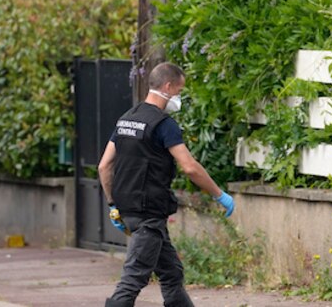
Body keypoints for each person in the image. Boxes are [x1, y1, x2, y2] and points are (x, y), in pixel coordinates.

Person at [99, 62, 235, 307]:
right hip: (148, 214)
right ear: (168, 86)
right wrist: (219, 194)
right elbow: (190, 167)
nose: (179, 98)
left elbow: (104, 166)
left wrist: (113, 205)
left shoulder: (126, 119)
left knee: (171, 273)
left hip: (129, 211)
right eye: (179, 92)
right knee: (131, 282)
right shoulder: (164, 124)